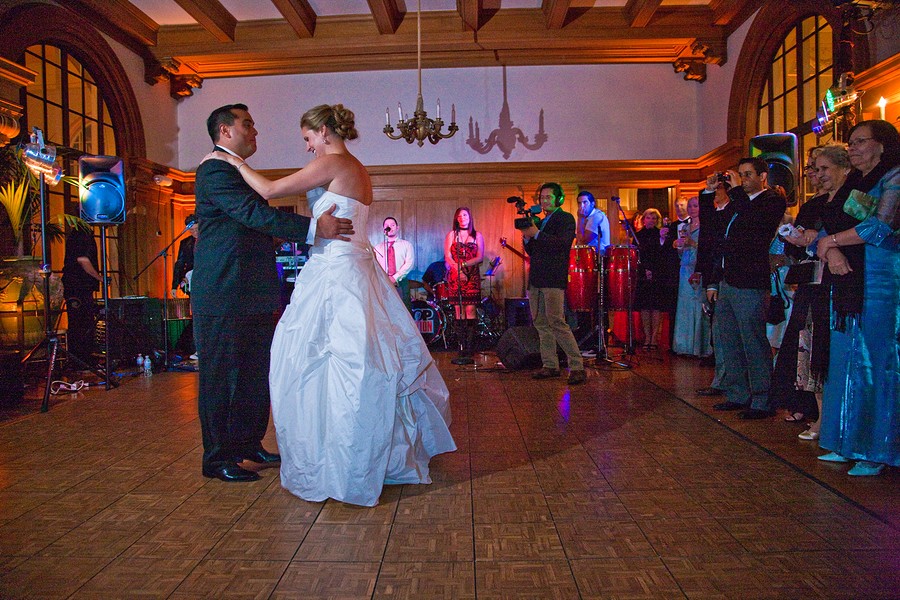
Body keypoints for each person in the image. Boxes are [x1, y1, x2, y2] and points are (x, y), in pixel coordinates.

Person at [205, 103, 456, 505]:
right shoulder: (354, 166)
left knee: (330, 361)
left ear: (324, 131)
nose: (307, 146)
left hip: (336, 270)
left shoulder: (333, 162)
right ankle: (353, 451)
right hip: (344, 266)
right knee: (350, 359)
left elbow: (267, 193)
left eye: (308, 138)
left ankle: (336, 455)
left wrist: (233, 162)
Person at [192, 103, 354, 483]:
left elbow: (247, 226)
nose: (255, 131)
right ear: (225, 131)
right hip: (223, 291)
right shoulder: (214, 169)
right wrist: (314, 228)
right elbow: (253, 215)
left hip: (251, 291)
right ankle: (217, 459)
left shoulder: (235, 170)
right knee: (220, 377)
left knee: (253, 374)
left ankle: (247, 443)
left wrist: (274, 238)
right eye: (247, 124)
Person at [814, 119, 900, 476]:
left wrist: (831, 242)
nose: (853, 148)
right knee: (846, 360)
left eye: (860, 141)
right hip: (850, 281)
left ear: (882, 145)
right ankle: (846, 441)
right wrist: (831, 247)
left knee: (876, 363)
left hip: (882, 281)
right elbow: (830, 226)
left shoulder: (894, 177)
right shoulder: (857, 181)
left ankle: (876, 449)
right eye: (850, 142)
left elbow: (880, 226)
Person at [707, 157, 786, 419]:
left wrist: (736, 192)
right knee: (729, 340)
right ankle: (738, 393)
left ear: (763, 176)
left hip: (750, 282)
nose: (743, 179)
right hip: (728, 280)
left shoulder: (771, 200)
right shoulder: (738, 202)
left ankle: (762, 399)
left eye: (748, 174)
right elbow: (716, 231)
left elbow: (755, 229)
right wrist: (709, 193)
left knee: (753, 341)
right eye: (741, 174)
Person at [770, 146, 833, 438]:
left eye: (818, 168)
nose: (813, 174)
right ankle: (802, 403)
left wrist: (813, 240)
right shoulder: (810, 205)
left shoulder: (841, 201)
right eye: (811, 168)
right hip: (809, 279)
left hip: (829, 279)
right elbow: (797, 247)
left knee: (816, 341)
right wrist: (794, 240)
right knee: (800, 340)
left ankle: (822, 413)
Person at [521, 182, 586, 385]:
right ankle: (550, 364)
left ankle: (577, 366)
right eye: (542, 197)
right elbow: (533, 251)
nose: (544, 201)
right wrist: (527, 238)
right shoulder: (540, 222)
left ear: (559, 199)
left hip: (553, 278)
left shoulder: (565, 218)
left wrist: (537, 234)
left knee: (557, 322)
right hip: (536, 279)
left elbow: (562, 244)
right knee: (541, 324)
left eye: (548, 197)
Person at [695, 177, 735, 395]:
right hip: (712, 276)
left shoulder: (732, 213)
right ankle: (721, 380)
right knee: (716, 330)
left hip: (725, 277)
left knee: (724, 332)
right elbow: (706, 243)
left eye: (719, 189)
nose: (715, 193)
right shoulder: (715, 214)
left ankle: (727, 381)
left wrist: (713, 281)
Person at [671, 196, 711, 357]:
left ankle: (699, 346)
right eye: (690, 206)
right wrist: (678, 246)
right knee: (685, 305)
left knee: (699, 304)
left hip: (699, 268)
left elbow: (709, 249)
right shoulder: (686, 227)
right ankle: (684, 345)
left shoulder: (707, 227)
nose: (692, 209)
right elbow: (682, 252)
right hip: (685, 268)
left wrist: (693, 244)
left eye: (695, 206)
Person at [444, 207, 484, 363]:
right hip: (455, 276)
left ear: (470, 217)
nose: (462, 218)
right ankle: (460, 347)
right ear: (456, 219)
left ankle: (470, 347)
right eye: (459, 216)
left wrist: (464, 265)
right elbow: (448, 256)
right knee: (458, 310)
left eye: (465, 215)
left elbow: (480, 257)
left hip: (471, 276)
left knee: (470, 309)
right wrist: (458, 269)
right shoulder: (451, 235)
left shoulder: (477, 235)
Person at [633, 208, 677, 349]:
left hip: (659, 274)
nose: (651, 220)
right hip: (643, 274)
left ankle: (654, 338)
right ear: (644, 219)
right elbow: (638, 256)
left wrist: (653, 270)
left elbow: (664, 255)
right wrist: (645, 270)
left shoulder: (661, 233)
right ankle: (647, 336)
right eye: (648, 218)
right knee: (645, 307)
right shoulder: (637, 235)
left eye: (654, 218)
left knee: (656, 307)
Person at [61, 225, 101, 360]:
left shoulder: (77, 234)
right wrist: (99, 278)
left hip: (78, 286)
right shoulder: (81, 234)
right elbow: (83, 260)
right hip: (79, 286)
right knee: (81, 323)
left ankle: (81, 357)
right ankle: (81, 357)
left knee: (80, 322)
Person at [373, 216, 414, 308]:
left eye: (392, 225)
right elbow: (375, 265)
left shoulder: (406, 245)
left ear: (397, 227)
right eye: (387, 225)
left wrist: (394, 277)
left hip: (401, 282)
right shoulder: (378, 248)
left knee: (404, 309)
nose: (390, 227)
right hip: (383, 282)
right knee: (386, 310)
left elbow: (409, 263)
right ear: (383, 229)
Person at [171, 214, 197, 299]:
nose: (195, 232)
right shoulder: (185, 243)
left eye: (197, 229)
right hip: (191, 279)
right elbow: (180, 263)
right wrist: (174, 286)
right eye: (192, 230)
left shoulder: (209, 240)